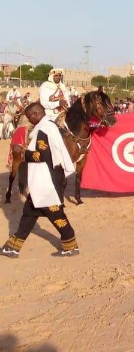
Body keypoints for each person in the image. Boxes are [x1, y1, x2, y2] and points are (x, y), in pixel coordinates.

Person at [2, 103, 78, 258]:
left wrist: (22, 152)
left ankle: (70, 245)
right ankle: (12, 247)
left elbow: (41, 156)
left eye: (30, 117)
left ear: (36, 113)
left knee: (55, 213)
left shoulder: (43, 130)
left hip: (46, 178)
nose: (29, 121)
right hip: (45, 176)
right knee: (29, 212)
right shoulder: (49, 126)